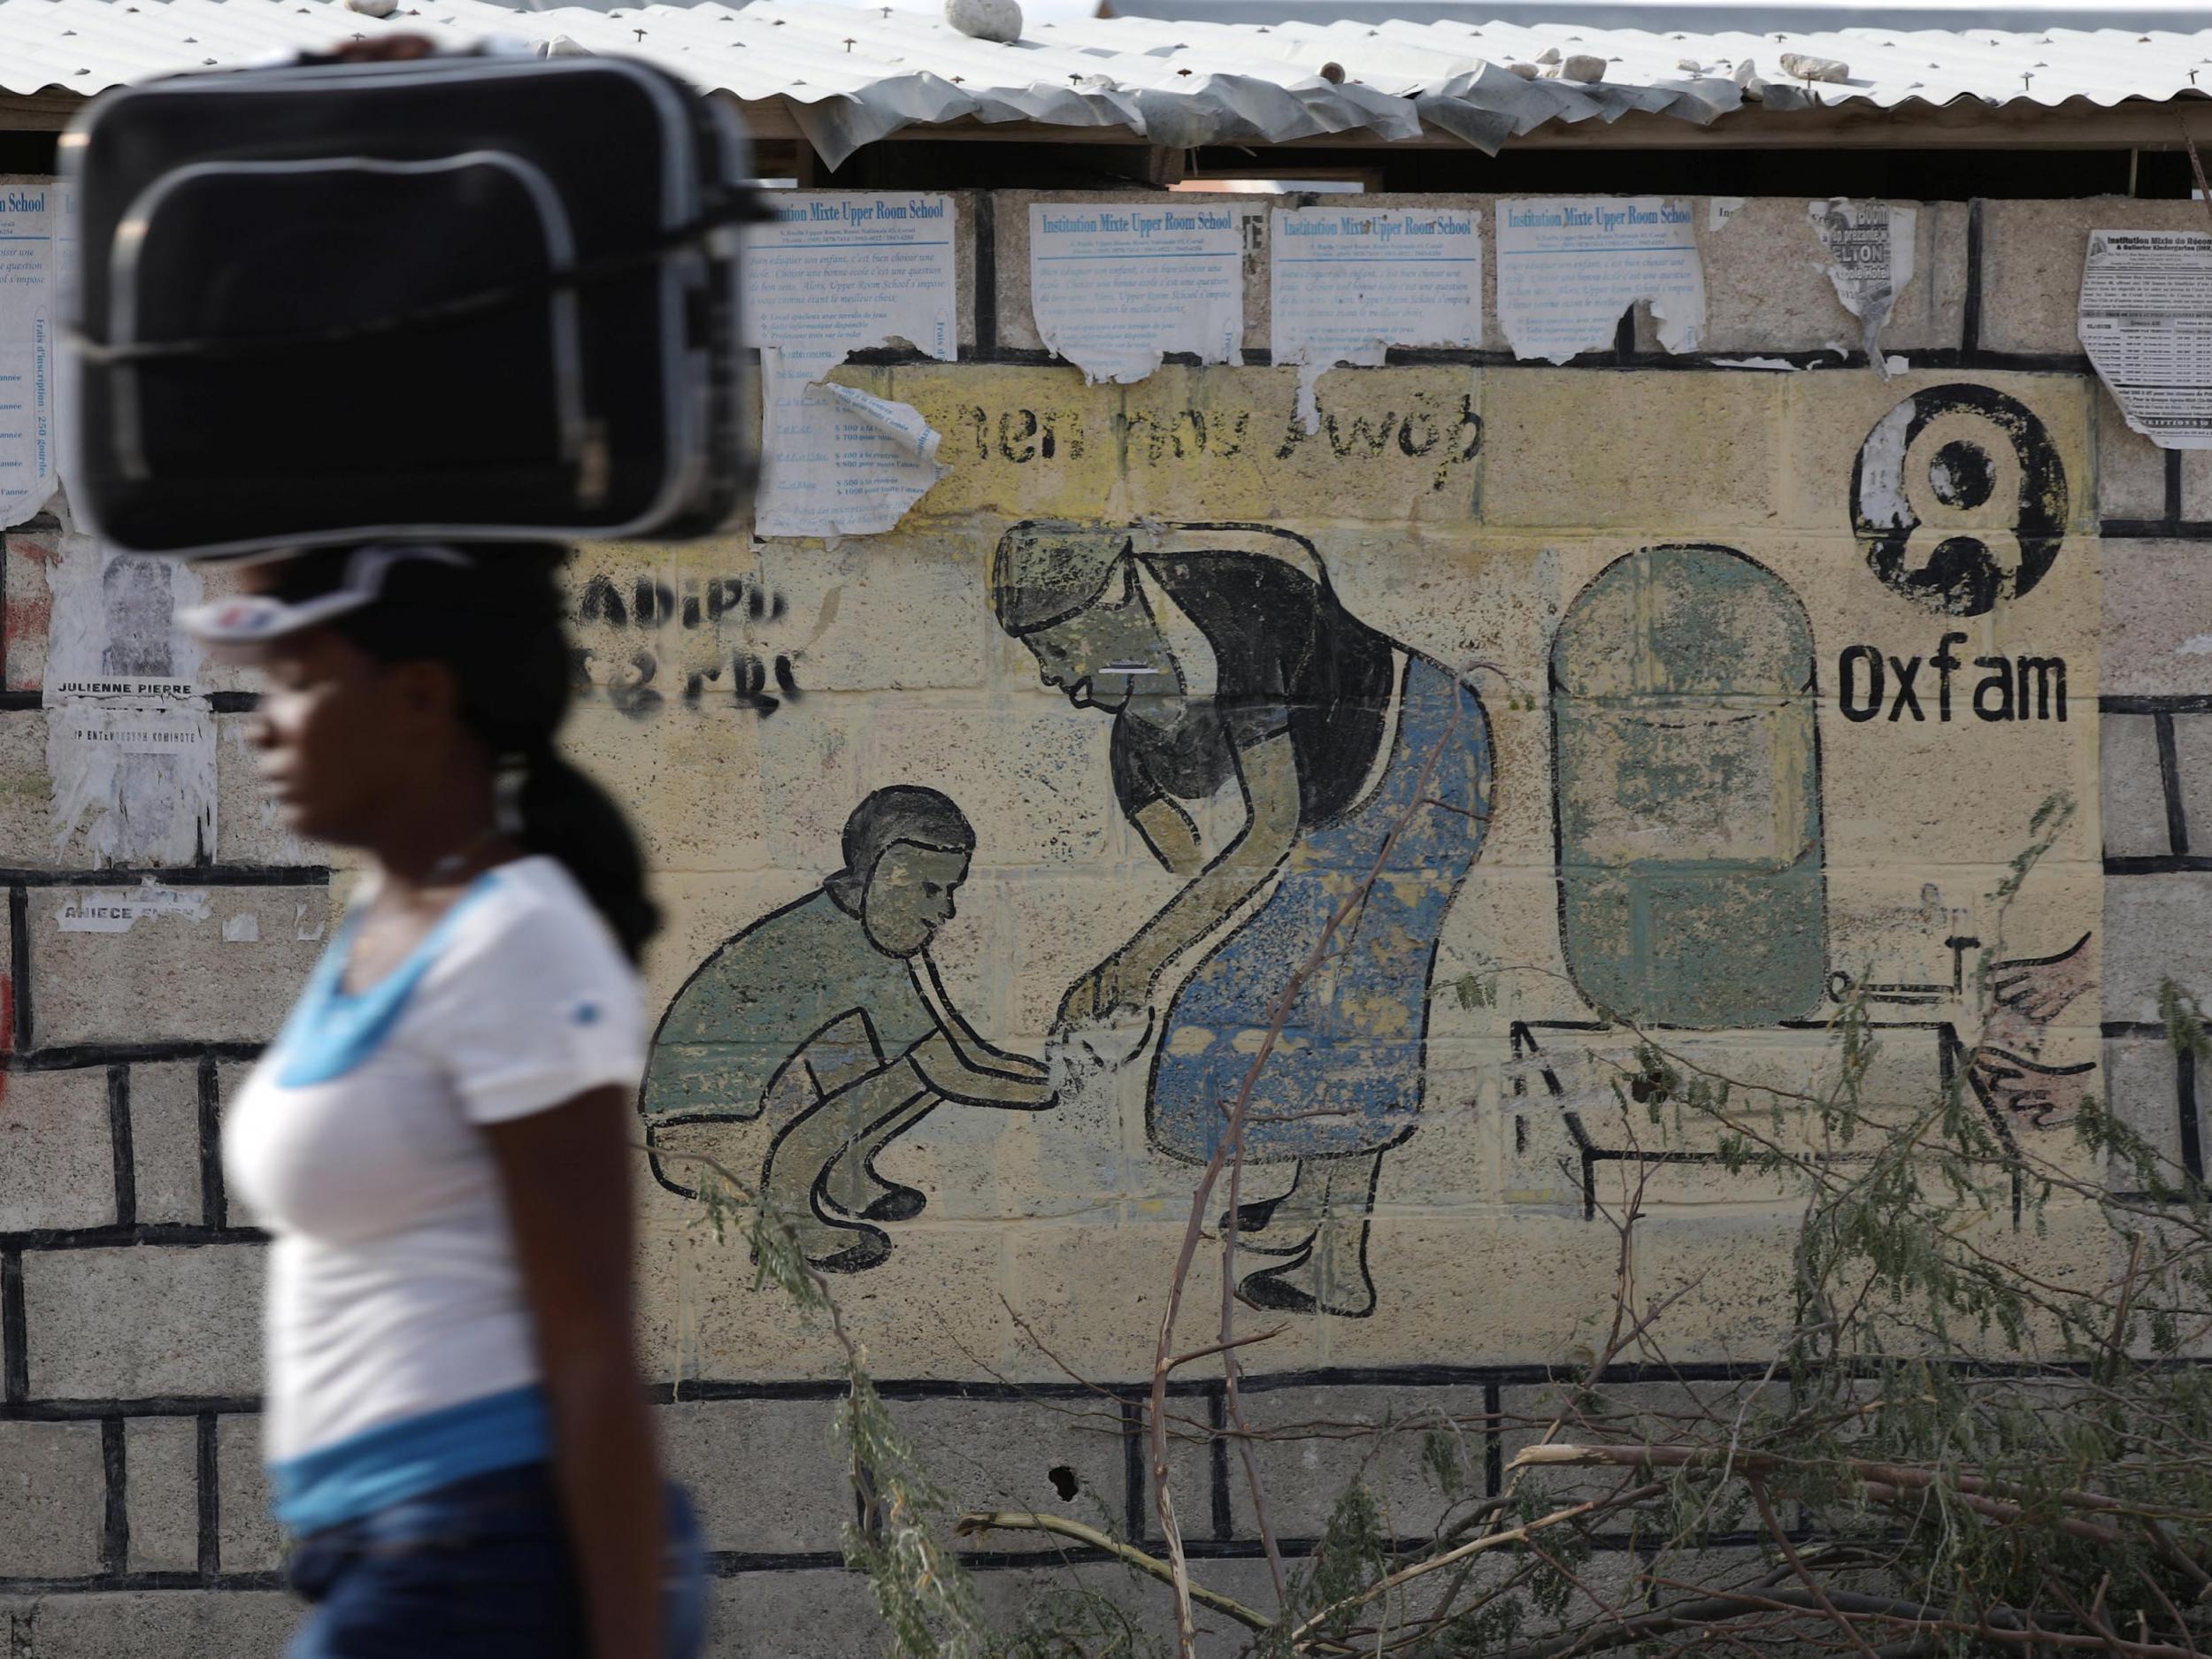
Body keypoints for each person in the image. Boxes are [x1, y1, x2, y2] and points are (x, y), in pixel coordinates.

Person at [194, 542, 703, 1659]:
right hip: (380, 1547)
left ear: (421, 696)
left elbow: (590, 1340)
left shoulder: (515, 939)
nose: (261, 724)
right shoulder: (389, 923)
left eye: (297, 681)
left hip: (478, 1554)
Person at [992, 521, 1491, 1318]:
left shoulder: (1233, 614)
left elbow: (1266, 834)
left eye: (1059, 648)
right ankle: (1307, 1207)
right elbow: (1194, 852)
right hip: (1351, 791)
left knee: (1355, 1006)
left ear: (1114, 598)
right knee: (1310, 991)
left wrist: (1139, 961)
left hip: (1425, 755)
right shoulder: (1156, 658)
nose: (1057, 676)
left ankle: (1338, 1266)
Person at [641, 786, 1054, 1272]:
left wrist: (1036, 1072)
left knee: (898, 1053)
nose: (945, 912)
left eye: (950, 891)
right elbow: (952, 1071)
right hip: (707, 1144)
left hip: (733, 1126)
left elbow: (956, 1046)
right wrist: (1054, 1088)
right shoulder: (843, 945)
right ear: (876, 872)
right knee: (918, 1070)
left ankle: (842, 1174)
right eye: (928, 889)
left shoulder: (856, 928)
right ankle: (788, 1219)